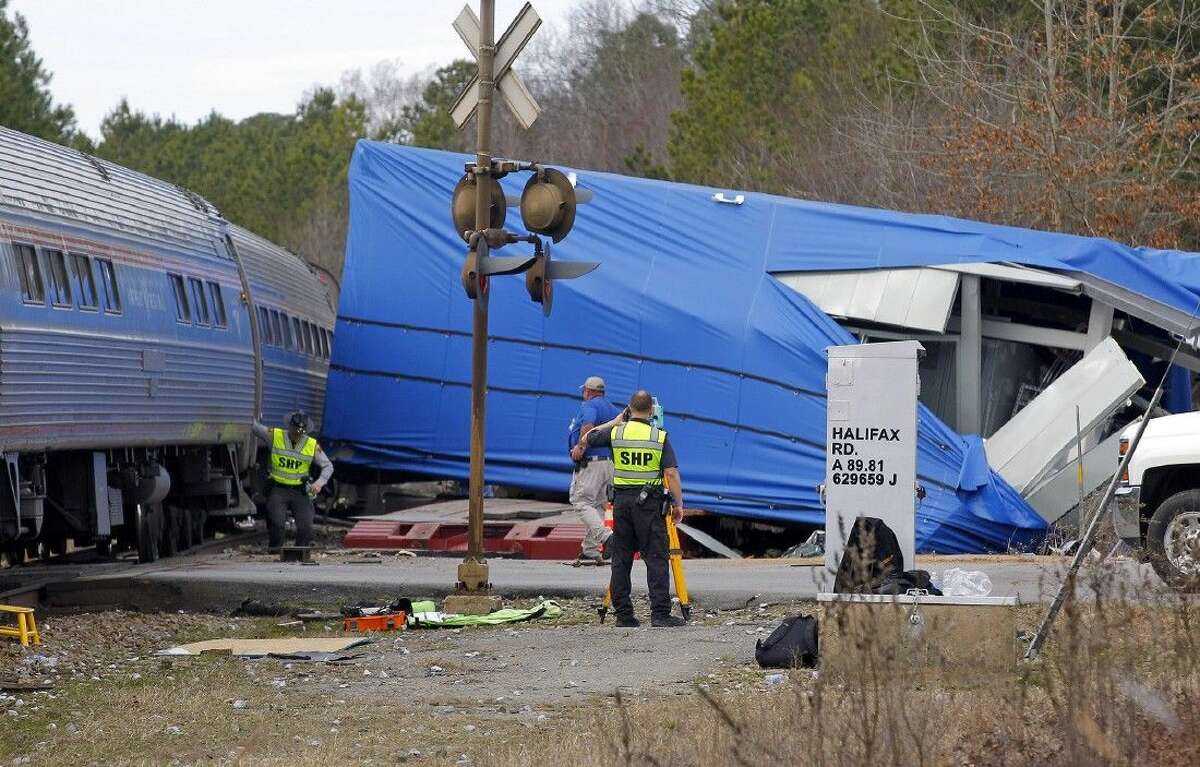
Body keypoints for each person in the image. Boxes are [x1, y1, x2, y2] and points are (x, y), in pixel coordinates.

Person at [586, 390, 687, 627]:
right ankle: (660, 614)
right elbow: (670, 473)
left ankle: (624, 615)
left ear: (629, 409)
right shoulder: (658, 436)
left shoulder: (616, 433)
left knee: (621, 558)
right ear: (652, 411)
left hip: (621, 503)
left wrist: (615, 421)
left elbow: (588, 438)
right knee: (656, 557)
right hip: (649, 505)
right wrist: (679, 504)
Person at [252, 411, 333, 551]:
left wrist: (319, 483)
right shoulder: (275, 435)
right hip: (278, 490)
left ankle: (300, 553)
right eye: (294, 431)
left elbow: (328, 466)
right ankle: (275, 551)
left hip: (300, 492)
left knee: (305, 526)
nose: (297, 435)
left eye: (300, 433)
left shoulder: (312, 445)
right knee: (277, 523)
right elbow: (255, 427)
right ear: (289, 427)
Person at [567, 376, 622, 562]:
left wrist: (581, 447)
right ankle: (590, 550)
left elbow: (588, 425)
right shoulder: (612, 408)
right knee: (597, 505)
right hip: (608, 462)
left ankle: (606, 537)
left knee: (580, 501)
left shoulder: (589, 406)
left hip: (592, 462)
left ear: (588, 391)